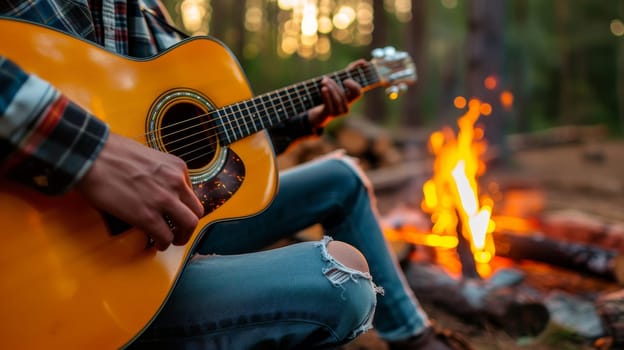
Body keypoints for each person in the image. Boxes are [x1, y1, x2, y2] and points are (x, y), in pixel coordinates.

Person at [0, 1, 473, 349]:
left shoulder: (145, 10)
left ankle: (416, 339)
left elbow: (196, 135)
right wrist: (90, 154)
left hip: (164, 242)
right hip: (69, 279)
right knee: (341, 281)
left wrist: (302, 118)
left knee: (341, 178)